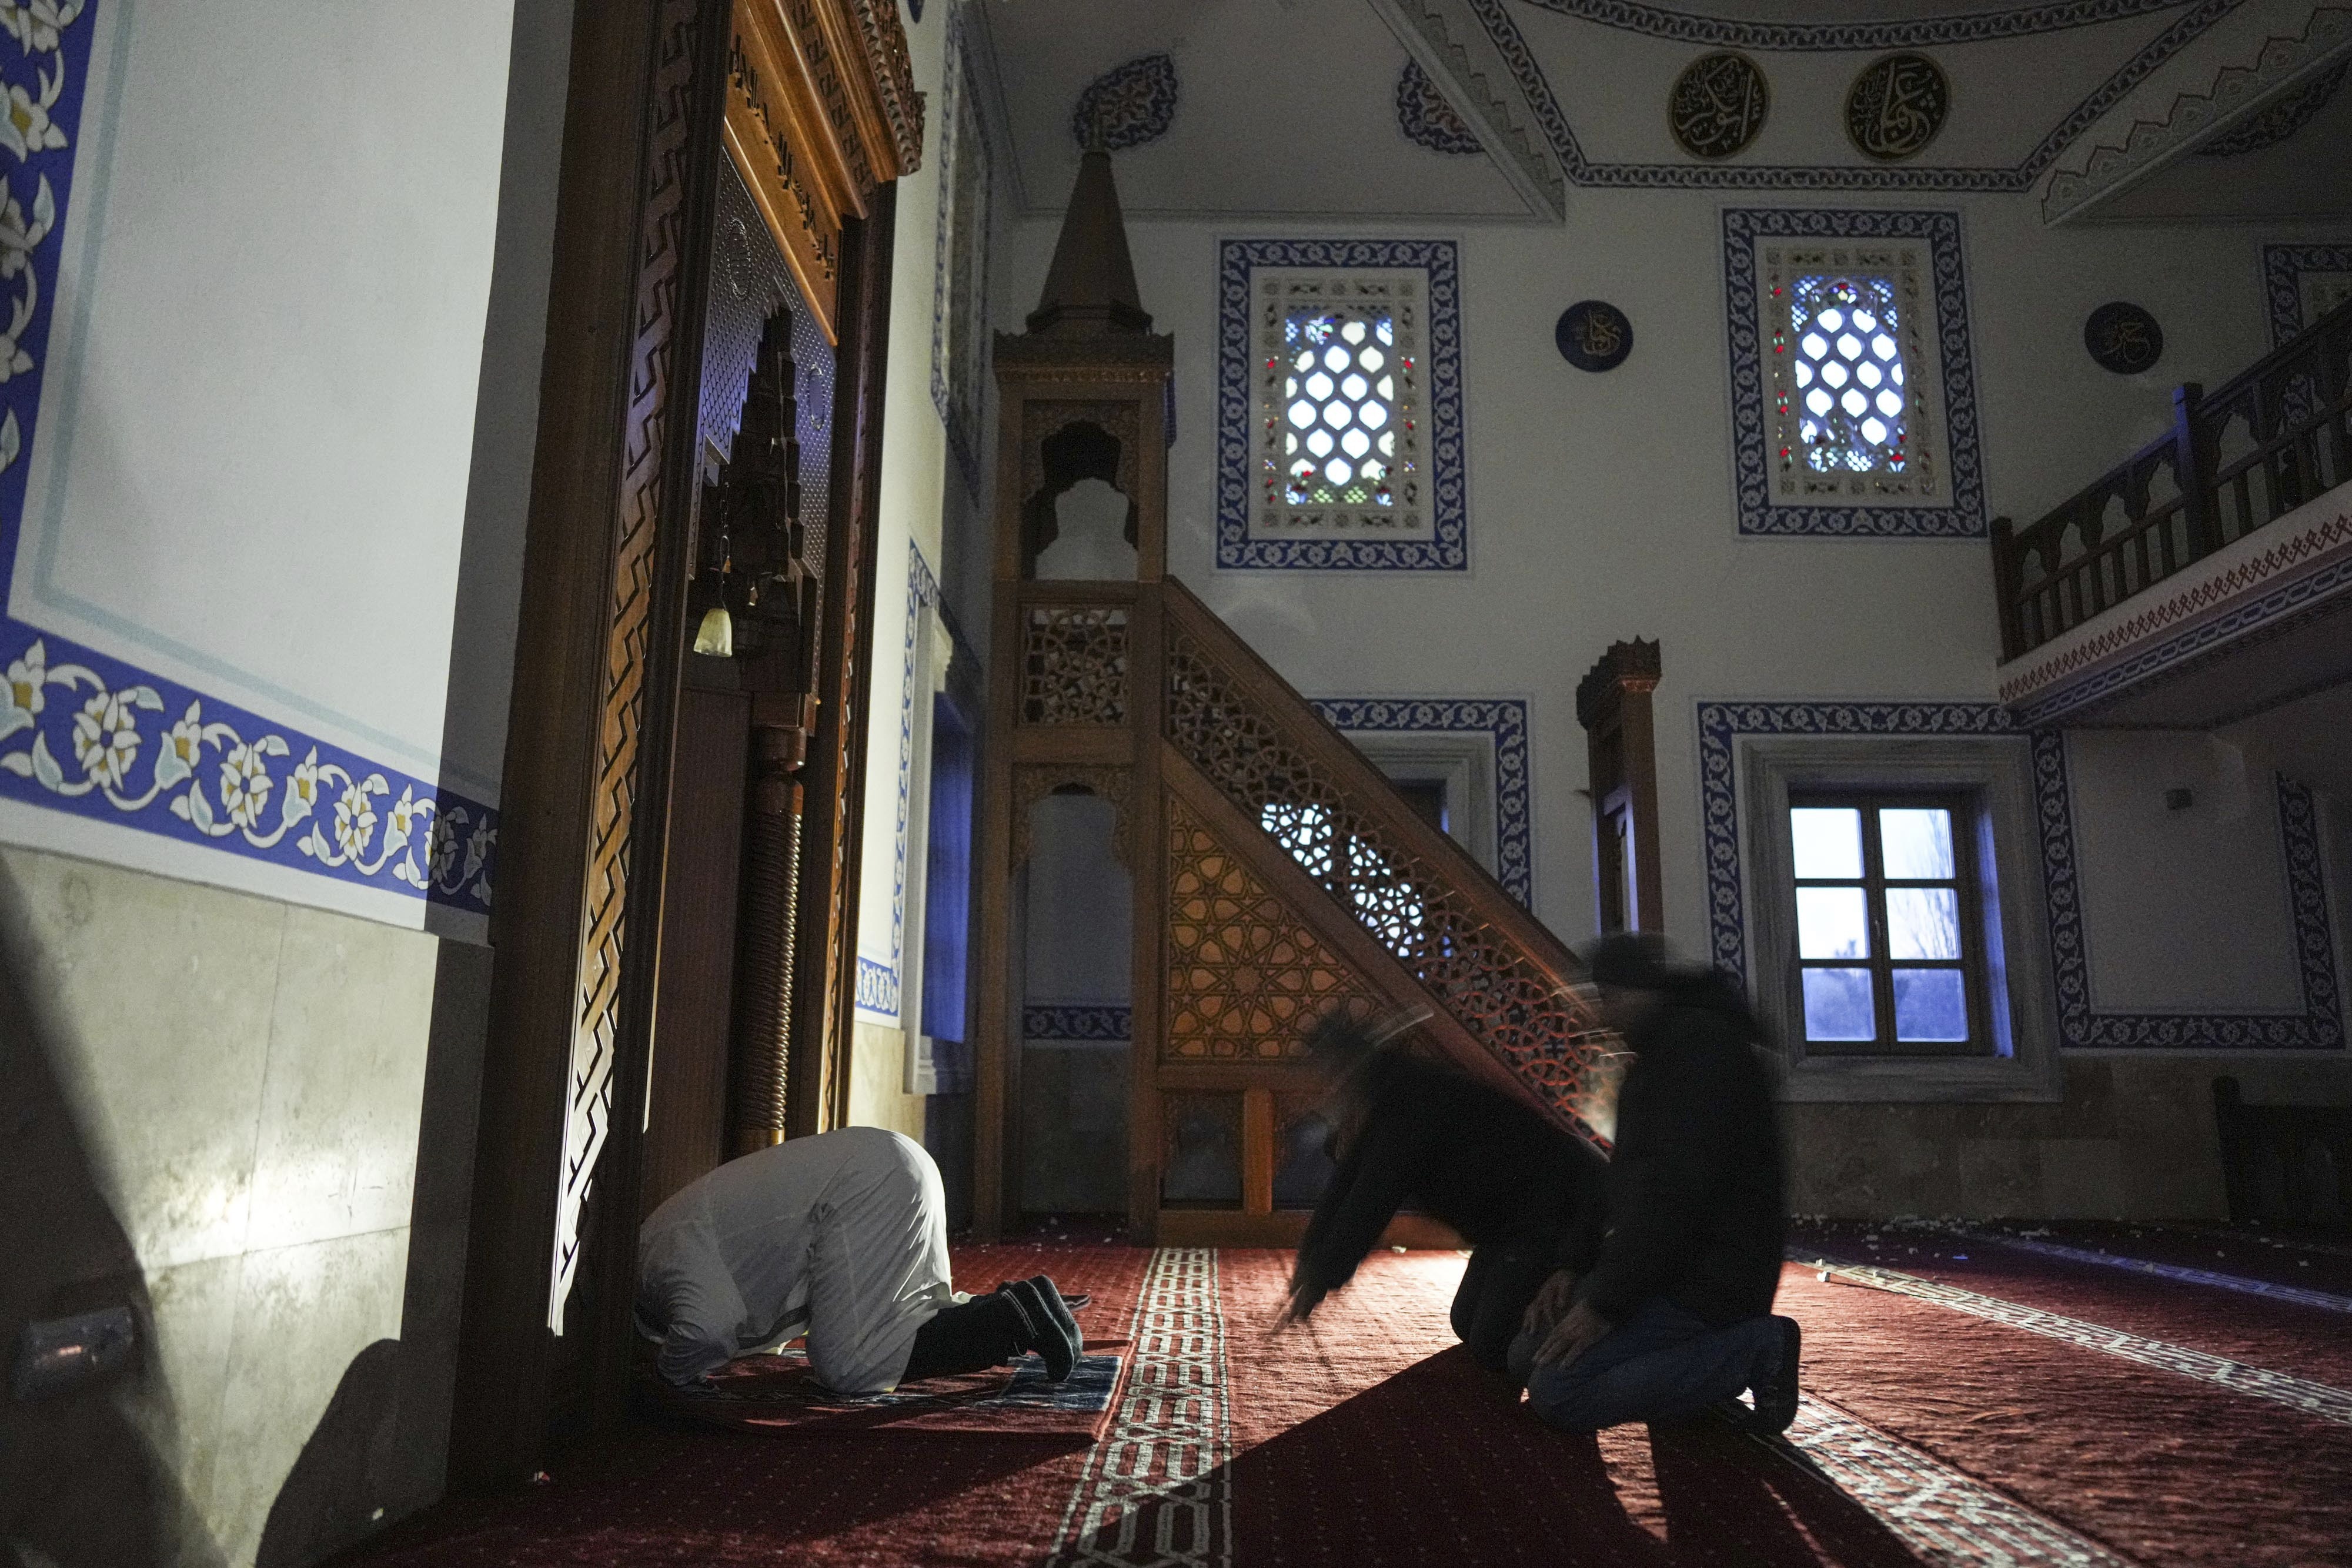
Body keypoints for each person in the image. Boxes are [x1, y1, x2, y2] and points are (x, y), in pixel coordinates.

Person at [1512, 934, 1801, 1435]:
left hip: (1711, 1278)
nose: (1601, 1016)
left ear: (1637, 993)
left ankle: (1758, 1347)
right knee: (1524, 1351)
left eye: (1607, 998)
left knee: (1558, 1392)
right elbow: (1623, 1176)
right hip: (1667, 1265)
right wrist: (1574, 1265)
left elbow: (1674, 1198)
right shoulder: (1660, 1053)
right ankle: (1688, 1367)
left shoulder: (1701, 1055)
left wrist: (1605, 1303)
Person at [637, 1125, 1082, 1395]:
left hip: (869, 1183)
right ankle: (1030, 1305)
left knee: (849, 1363)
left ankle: (1012, 1317)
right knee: (903, 1317)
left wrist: (664, 1374)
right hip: (893, 1164)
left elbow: (707, 1329)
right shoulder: (671, 1230)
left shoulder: (653, 1261)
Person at [1277, 1011, 1607, 1373]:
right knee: (1464, 1323)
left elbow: (1371, 1199)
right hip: (1507, 1225)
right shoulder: (1387, 1094)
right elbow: (1348, 1183)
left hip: (1559, 1213)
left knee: (1494, 1345)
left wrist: (1321, 1278)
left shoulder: (1411, 1101)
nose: (1324, 1089)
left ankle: (1599, 1294)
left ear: (1347, 1069)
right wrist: (1311, 1264)